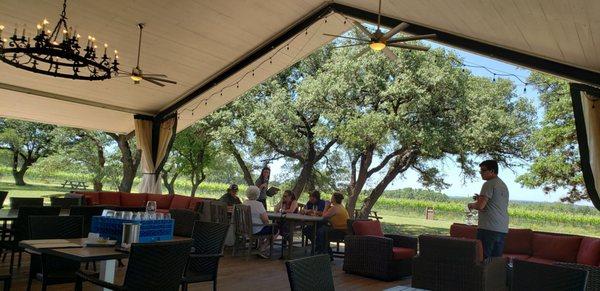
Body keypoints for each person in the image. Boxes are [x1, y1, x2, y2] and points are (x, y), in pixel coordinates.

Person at [468, 160, 509, 259]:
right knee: (495, 261)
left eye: (483, 170)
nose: (481, 173)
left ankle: (482, 275)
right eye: (480, 171)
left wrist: (471, 205)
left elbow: (480, 206)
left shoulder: (488, 184)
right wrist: (480, 198)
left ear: (492, 171)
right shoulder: (503, 185)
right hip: (502, 229)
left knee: (482, 259)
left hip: (488, 228)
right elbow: (495, 204)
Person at [243, 185, 275, 259]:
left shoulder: (244, 203)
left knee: (264, 227)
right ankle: (262, 248)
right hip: (255, 230)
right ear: (258, 194)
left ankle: (260, 245)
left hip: (244, 229)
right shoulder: (259, 204)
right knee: (275, 229)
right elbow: (266, 220)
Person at [316, 192, 349, 259]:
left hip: (338, 232)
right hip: (344, 231)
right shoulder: (341, 207)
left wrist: (326, 206)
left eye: (332, 197)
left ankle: (324, 253)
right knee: (322, 229)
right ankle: (326, 252)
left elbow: (323, 217)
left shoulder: (335, 208)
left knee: (320, 231)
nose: (331, 198)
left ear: (334, 199)